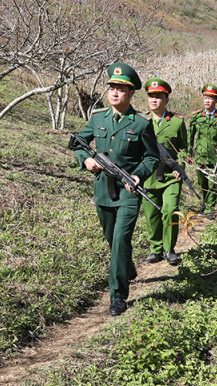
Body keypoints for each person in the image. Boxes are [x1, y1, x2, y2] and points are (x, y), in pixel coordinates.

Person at [73, 62, 159, 316]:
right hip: (102, 190)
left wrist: (137, 175)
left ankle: (118, 296)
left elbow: (152, 158)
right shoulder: (98, 117)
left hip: (128, 193)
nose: (115, 92)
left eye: (121, 89)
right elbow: (78, 141)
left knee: (121, 240)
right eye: (112, 87)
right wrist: (85, 160)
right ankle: (127, 267)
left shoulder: (142, 123)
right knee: (112, 240)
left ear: (131, 94)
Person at [142, 78, 188, 266]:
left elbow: (184, 149)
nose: (154, 100)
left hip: (170, 177)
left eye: (159, 97)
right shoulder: (140, 121)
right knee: (151, 214)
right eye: (151, 96)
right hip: (148, 177)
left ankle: (169, 249)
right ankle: (156, 249)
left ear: (166, 100)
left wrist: (180, 168)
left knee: (170, 211)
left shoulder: (177, 122)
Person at [188, 84, 217, 220]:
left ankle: (210, 208)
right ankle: (205, 203)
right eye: (205, 97)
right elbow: (190, 136)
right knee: (202, 183)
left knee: (212, 183)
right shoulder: (196, 117)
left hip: (216, 156)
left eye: (210, 98)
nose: (207, 101)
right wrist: (189, 154)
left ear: (216, 101)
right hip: (200, 156)